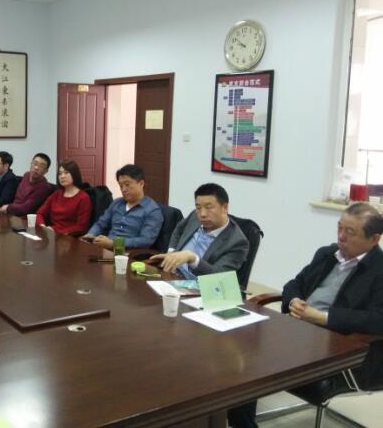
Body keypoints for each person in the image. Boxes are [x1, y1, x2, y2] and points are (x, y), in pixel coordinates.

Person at [228, 202, 383, 428]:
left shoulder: (379, 270)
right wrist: (293, 300)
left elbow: (378, 319)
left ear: (374, 239)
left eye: (350, 232)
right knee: (236, 348)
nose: (341, 236)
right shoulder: (327, 254)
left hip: (340, 347)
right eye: (339, 227)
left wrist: (322, 317)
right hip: (299, 331)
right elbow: (295, 284)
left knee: (250, 363)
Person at [149, 183, 248, 278]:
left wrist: (192, 258)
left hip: (196, 284)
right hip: (170, 273)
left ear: (225, 207)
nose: (202, 214)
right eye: (198, 207)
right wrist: (171, 252)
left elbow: (217, 276)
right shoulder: (195, 215)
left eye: (209, 207)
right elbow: (179, 229)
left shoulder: (237, 242)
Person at [82, 164, 162, 249]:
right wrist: (91, 234)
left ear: (141, 183)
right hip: (106, 248)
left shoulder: (152, 210)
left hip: (129, 253)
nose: (123, 189)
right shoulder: (116, 203)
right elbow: (100, 223)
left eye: (127, 184)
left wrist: (114, 244)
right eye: (121, 186)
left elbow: (145, 240)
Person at [36, 159, 92, 236]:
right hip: (52, 235)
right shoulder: (56, 194)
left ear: (74, 174)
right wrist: (43, 226)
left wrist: (58, 232)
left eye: (66, 173)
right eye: (60, 173)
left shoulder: (83, 198)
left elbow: (81, 227)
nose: (62, 176)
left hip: (69, 237)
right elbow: (40, 213)